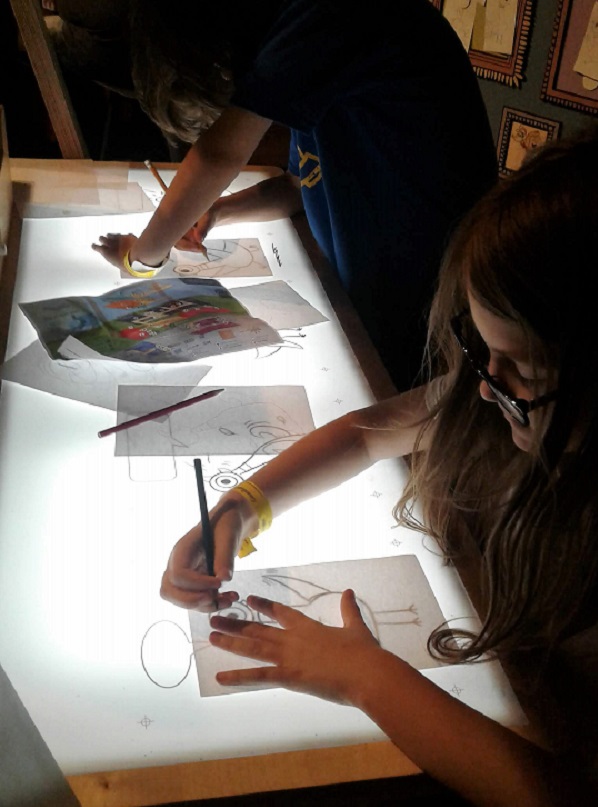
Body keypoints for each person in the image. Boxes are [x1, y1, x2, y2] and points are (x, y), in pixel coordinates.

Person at [160, 126, 598, 805]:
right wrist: (242, 507)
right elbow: (366, 437)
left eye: (522, 371)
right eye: (482, 350)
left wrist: (365, 677)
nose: (487, 388)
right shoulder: (494, 397)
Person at [91, 0, 497, 392]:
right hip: (366, 307)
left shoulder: (333, 12)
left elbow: (218, 155)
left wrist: (141, 258)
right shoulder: (312, 62)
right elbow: (297, 186)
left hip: (433, 315)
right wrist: (216, 211)